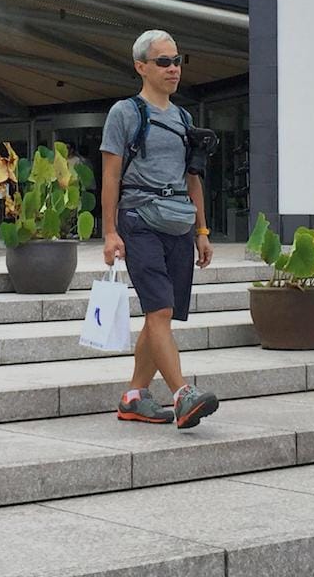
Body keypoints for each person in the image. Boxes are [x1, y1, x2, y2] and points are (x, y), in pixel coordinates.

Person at [101, 29, 216, 429]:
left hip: (179, 222)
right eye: (163, 62)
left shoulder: (184, 118)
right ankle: (184, 394)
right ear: (141, 67)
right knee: (160, 310)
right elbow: (111, 176)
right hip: (139, 219)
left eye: (177, 60)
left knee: (159, 318)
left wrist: (202, 231)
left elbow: (193, 178)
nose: (173, 69)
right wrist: (110, 232)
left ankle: (133, 396)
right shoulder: (125, 113)